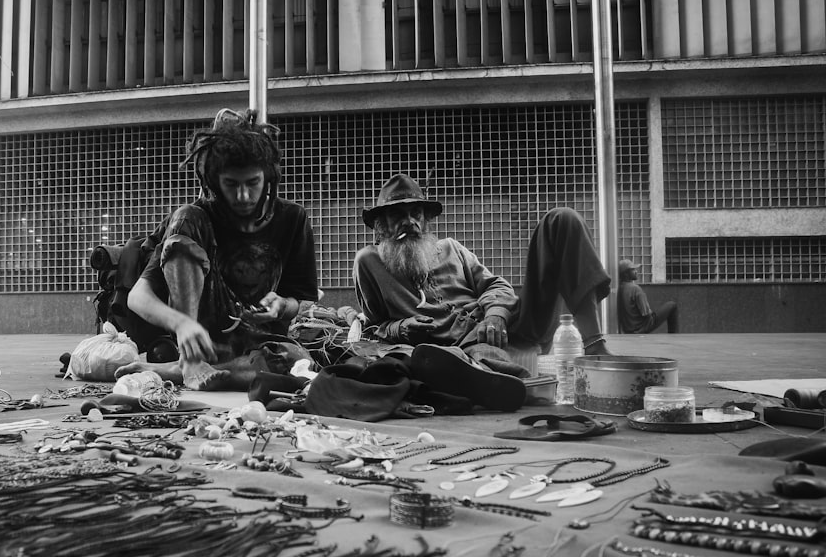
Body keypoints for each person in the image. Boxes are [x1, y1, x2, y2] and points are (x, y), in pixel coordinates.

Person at [352, 174, 614, 406]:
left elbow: (497, 286)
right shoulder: (369, 261)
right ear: (382, 225)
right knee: (476, 359)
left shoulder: (451, 248)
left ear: (425, 218)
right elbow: (375, 328)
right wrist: (404, 326)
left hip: (511, 323)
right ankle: (508, 381)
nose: (409, 222)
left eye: (416, 213)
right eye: (398, 215)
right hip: (457, 347)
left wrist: (496, 314)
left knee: (562, 219)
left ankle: (594, 346)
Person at [111, 109, 319, 391]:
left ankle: (173, 371)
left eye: (253, 183)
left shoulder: (293, 218)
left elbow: (303, 301)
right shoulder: (196, 219)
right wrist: (182, 324)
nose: (244, 196)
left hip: (256, 349)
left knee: (296, 362)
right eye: (232, 185)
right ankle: (190, 363)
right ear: (214, 181)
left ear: (268, 178)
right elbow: (138, 297)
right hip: (202, 343)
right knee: (185, 214)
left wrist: (282, 305)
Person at [617, 259, 679, 334]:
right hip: (642, 327)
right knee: (672, 305)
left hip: (628, 329)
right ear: (626, 274)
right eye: (633, 270)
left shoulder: (619, 288)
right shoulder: (635, 289)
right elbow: (646, 313)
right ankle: (674, 335)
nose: (636, 271)